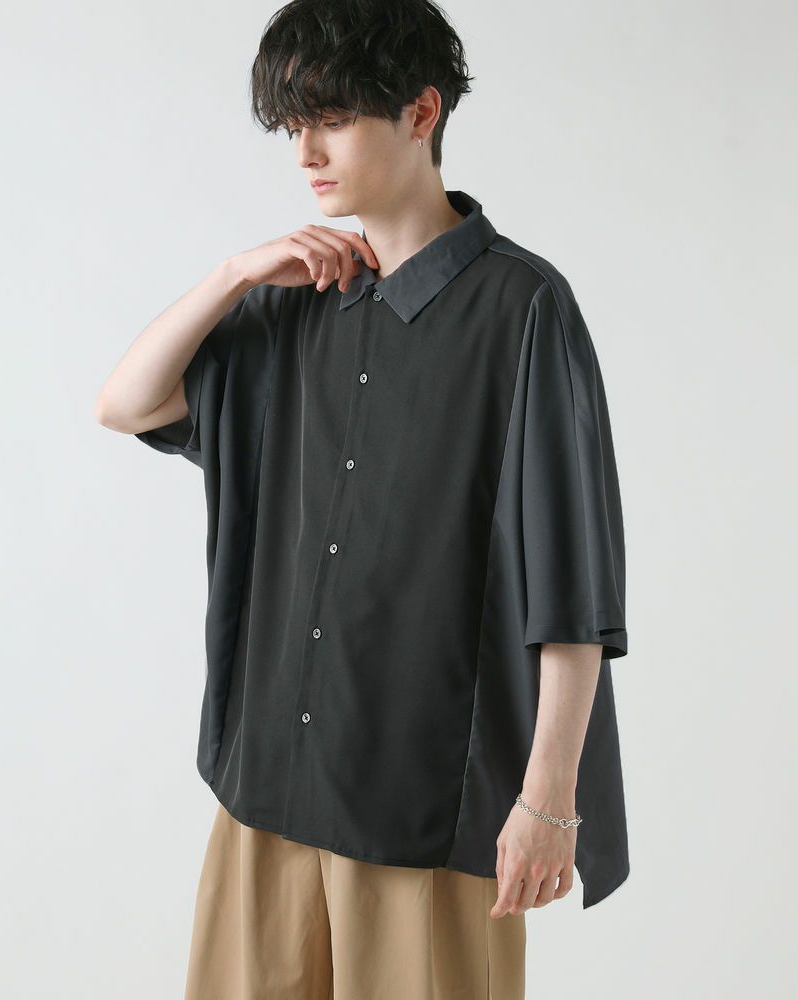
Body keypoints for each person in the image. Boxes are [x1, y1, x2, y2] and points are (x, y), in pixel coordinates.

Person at [95, 1, 630, 997]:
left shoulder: (521, 309)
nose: (305, 153)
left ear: (420, 112)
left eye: (331, 119)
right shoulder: (290, 302)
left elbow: (572, 583)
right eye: (293, 126)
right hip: (266, 793)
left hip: (422, 809)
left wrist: (547, 798)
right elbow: (125, 404)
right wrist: (233, 273)